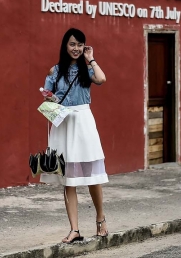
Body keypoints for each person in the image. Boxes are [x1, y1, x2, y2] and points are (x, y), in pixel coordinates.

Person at [40, 28, 109, 243]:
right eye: (72, 44)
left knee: (91, 175)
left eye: (80, 44)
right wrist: (50, 99)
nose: (76, 48)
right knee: (68, 179)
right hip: (63, 123)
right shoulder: (55, 71)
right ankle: (75, 230)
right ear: (65, 46)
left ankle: (100, 219)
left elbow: (102, 79)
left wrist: (91, 59)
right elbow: (48, 97)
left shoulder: (87, 68)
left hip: (83, 121)